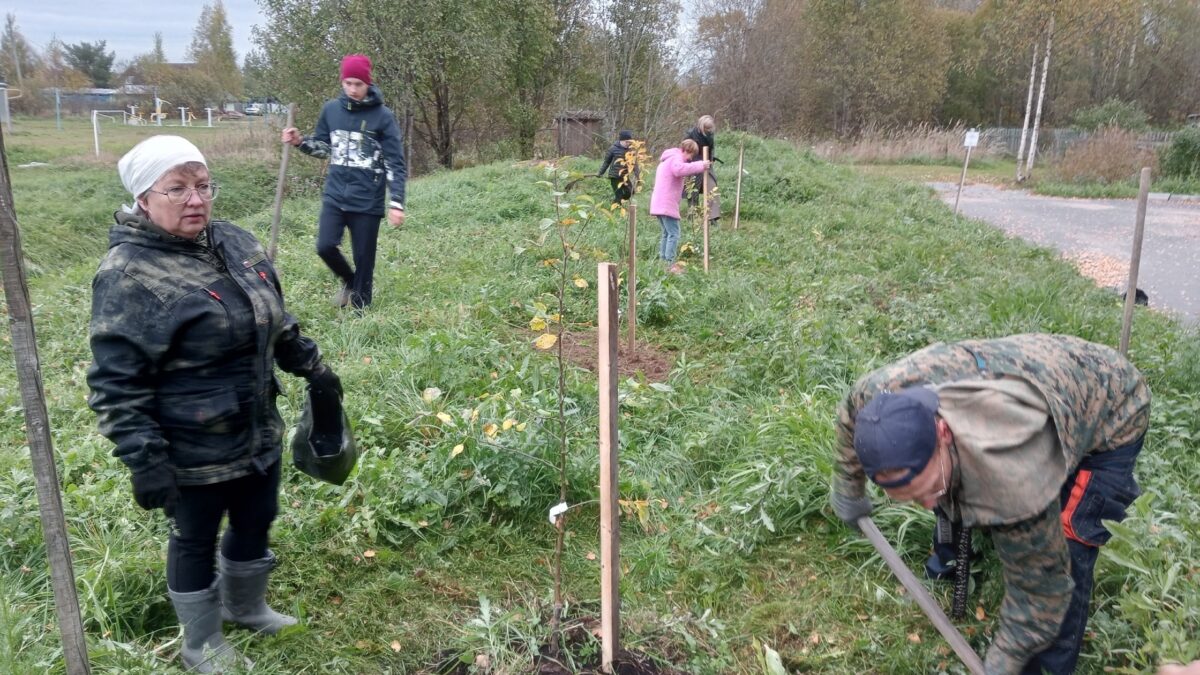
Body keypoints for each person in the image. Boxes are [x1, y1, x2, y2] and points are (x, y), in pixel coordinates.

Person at [87, 135, 343, 672]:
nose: (195, 200)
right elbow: (116, 381)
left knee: (257, 517)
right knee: (195, 540)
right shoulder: (129, 273)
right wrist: (145, 457)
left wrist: (313, 367)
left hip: (254, 428)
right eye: (176, 188)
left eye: (202, 185)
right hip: (189, 447)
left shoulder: (235, 241)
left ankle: (246, 607)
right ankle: (201, 643)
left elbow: (274, 315)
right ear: (143, 199)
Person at [829, 334, 1150, 675]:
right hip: (1043, 374)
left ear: (943, 432)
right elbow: (853, 412)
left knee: (1070, 551)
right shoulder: (883, 396)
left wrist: (1003, 661)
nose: (924, 506)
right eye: (909, 497)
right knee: (946, 486)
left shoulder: (1013, 481)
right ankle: (950, 556)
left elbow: (1042, 594)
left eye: (926, 489)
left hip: (1111, 406)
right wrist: (848, 487)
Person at [282, 53, 407, 310]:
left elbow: (395, 162)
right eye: (347, 83)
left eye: (358, 84)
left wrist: (396, 202)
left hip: (367, 199)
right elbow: (324, 147)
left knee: (364, 259)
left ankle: (362, 314)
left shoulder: (383, 117)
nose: (352, 89)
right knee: (324, 246)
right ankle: (350, 282)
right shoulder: (331, 110)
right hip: (336, 195)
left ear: (368, 84)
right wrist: (300, 141)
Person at [650, 138, 710, 274]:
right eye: (690, 155)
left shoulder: (667, 159)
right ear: (686, 150)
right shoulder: (675, 159)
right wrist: (701, 165)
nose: (690, 159)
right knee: (674, 233)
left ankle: (663, 262)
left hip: (659, 202)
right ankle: (669, 265)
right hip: (666, 202)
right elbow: (678, 170)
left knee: (666, 233)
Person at [684, 115, 720, 225]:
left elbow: (711, 149)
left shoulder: (710, 136)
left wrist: (710, 160)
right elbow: (685, 150)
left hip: (707, 164)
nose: (708, 131)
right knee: (693, 190)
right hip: (694, 164)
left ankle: (712, 217)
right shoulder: (691, 134)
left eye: (709, 128)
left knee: (712, 188)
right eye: (706, 128)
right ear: (701, 126)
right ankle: (692, 214)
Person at [597, 129, 636, 205]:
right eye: (626, 142)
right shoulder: (613, 149)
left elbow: (634, 164)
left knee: (631, 192)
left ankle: (617, 202)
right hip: (615, 176)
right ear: (621, 140)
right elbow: (606, 162)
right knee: (619, 195)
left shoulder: (630, 150)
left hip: (625, 176)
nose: (628, 143)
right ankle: (616, 210)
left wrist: (638, 175)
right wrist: (600, 173)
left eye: (629, 142)